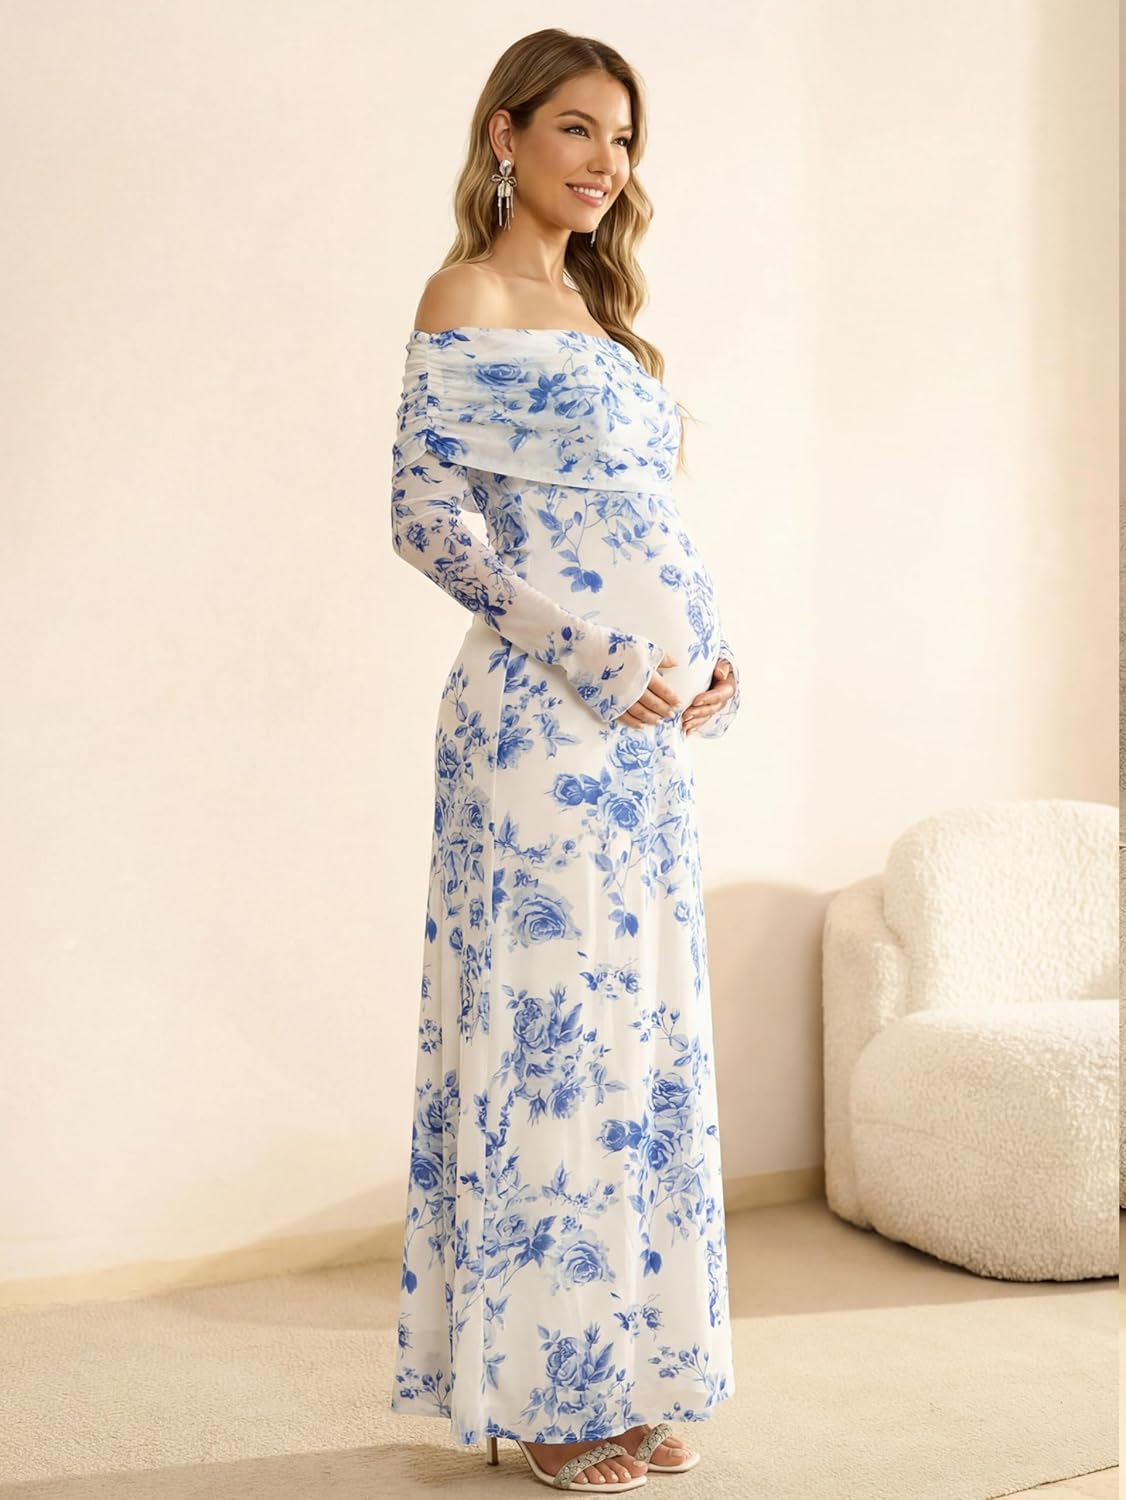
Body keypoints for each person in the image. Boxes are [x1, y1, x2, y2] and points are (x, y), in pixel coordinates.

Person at [388, 28, 740, 1493]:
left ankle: (626, 1374)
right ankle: (543, 1398)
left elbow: (639, 524)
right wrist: (597, 657)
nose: (606, 163)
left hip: (647, 743)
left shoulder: (602, 317)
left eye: (623, 138)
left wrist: (711, 657)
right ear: (507, 136)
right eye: (579, 130)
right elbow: (429, 523)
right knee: (547, 1041)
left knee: (634, 1048)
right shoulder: (464, 296)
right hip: (539, 726)